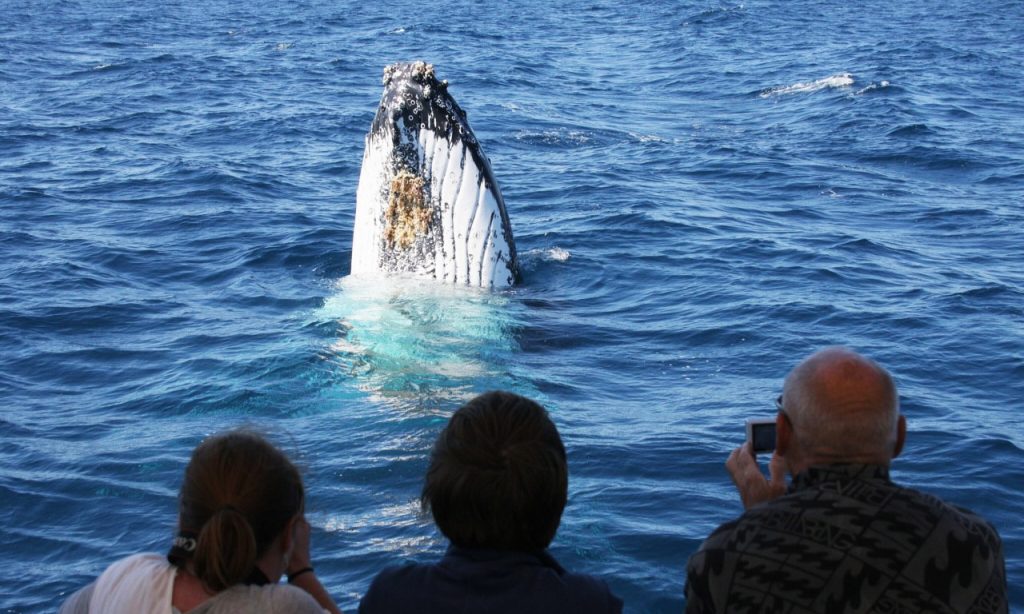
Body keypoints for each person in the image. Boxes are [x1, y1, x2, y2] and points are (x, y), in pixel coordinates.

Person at [685, 347, 1008, 613]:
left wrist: (761, 523)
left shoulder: (722, 556)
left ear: (782, 434)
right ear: (899, 438)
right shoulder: (975, 539)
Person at [359, 390, 623, 613]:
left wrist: (313, 572)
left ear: (436, 498)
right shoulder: (586, 601)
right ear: (558, 500)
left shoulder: (393, 595)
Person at [60, 429, 342, 614]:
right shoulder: (280, 607)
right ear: (290, 534)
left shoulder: (123, 578)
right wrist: (301, 571)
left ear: (183, 516)